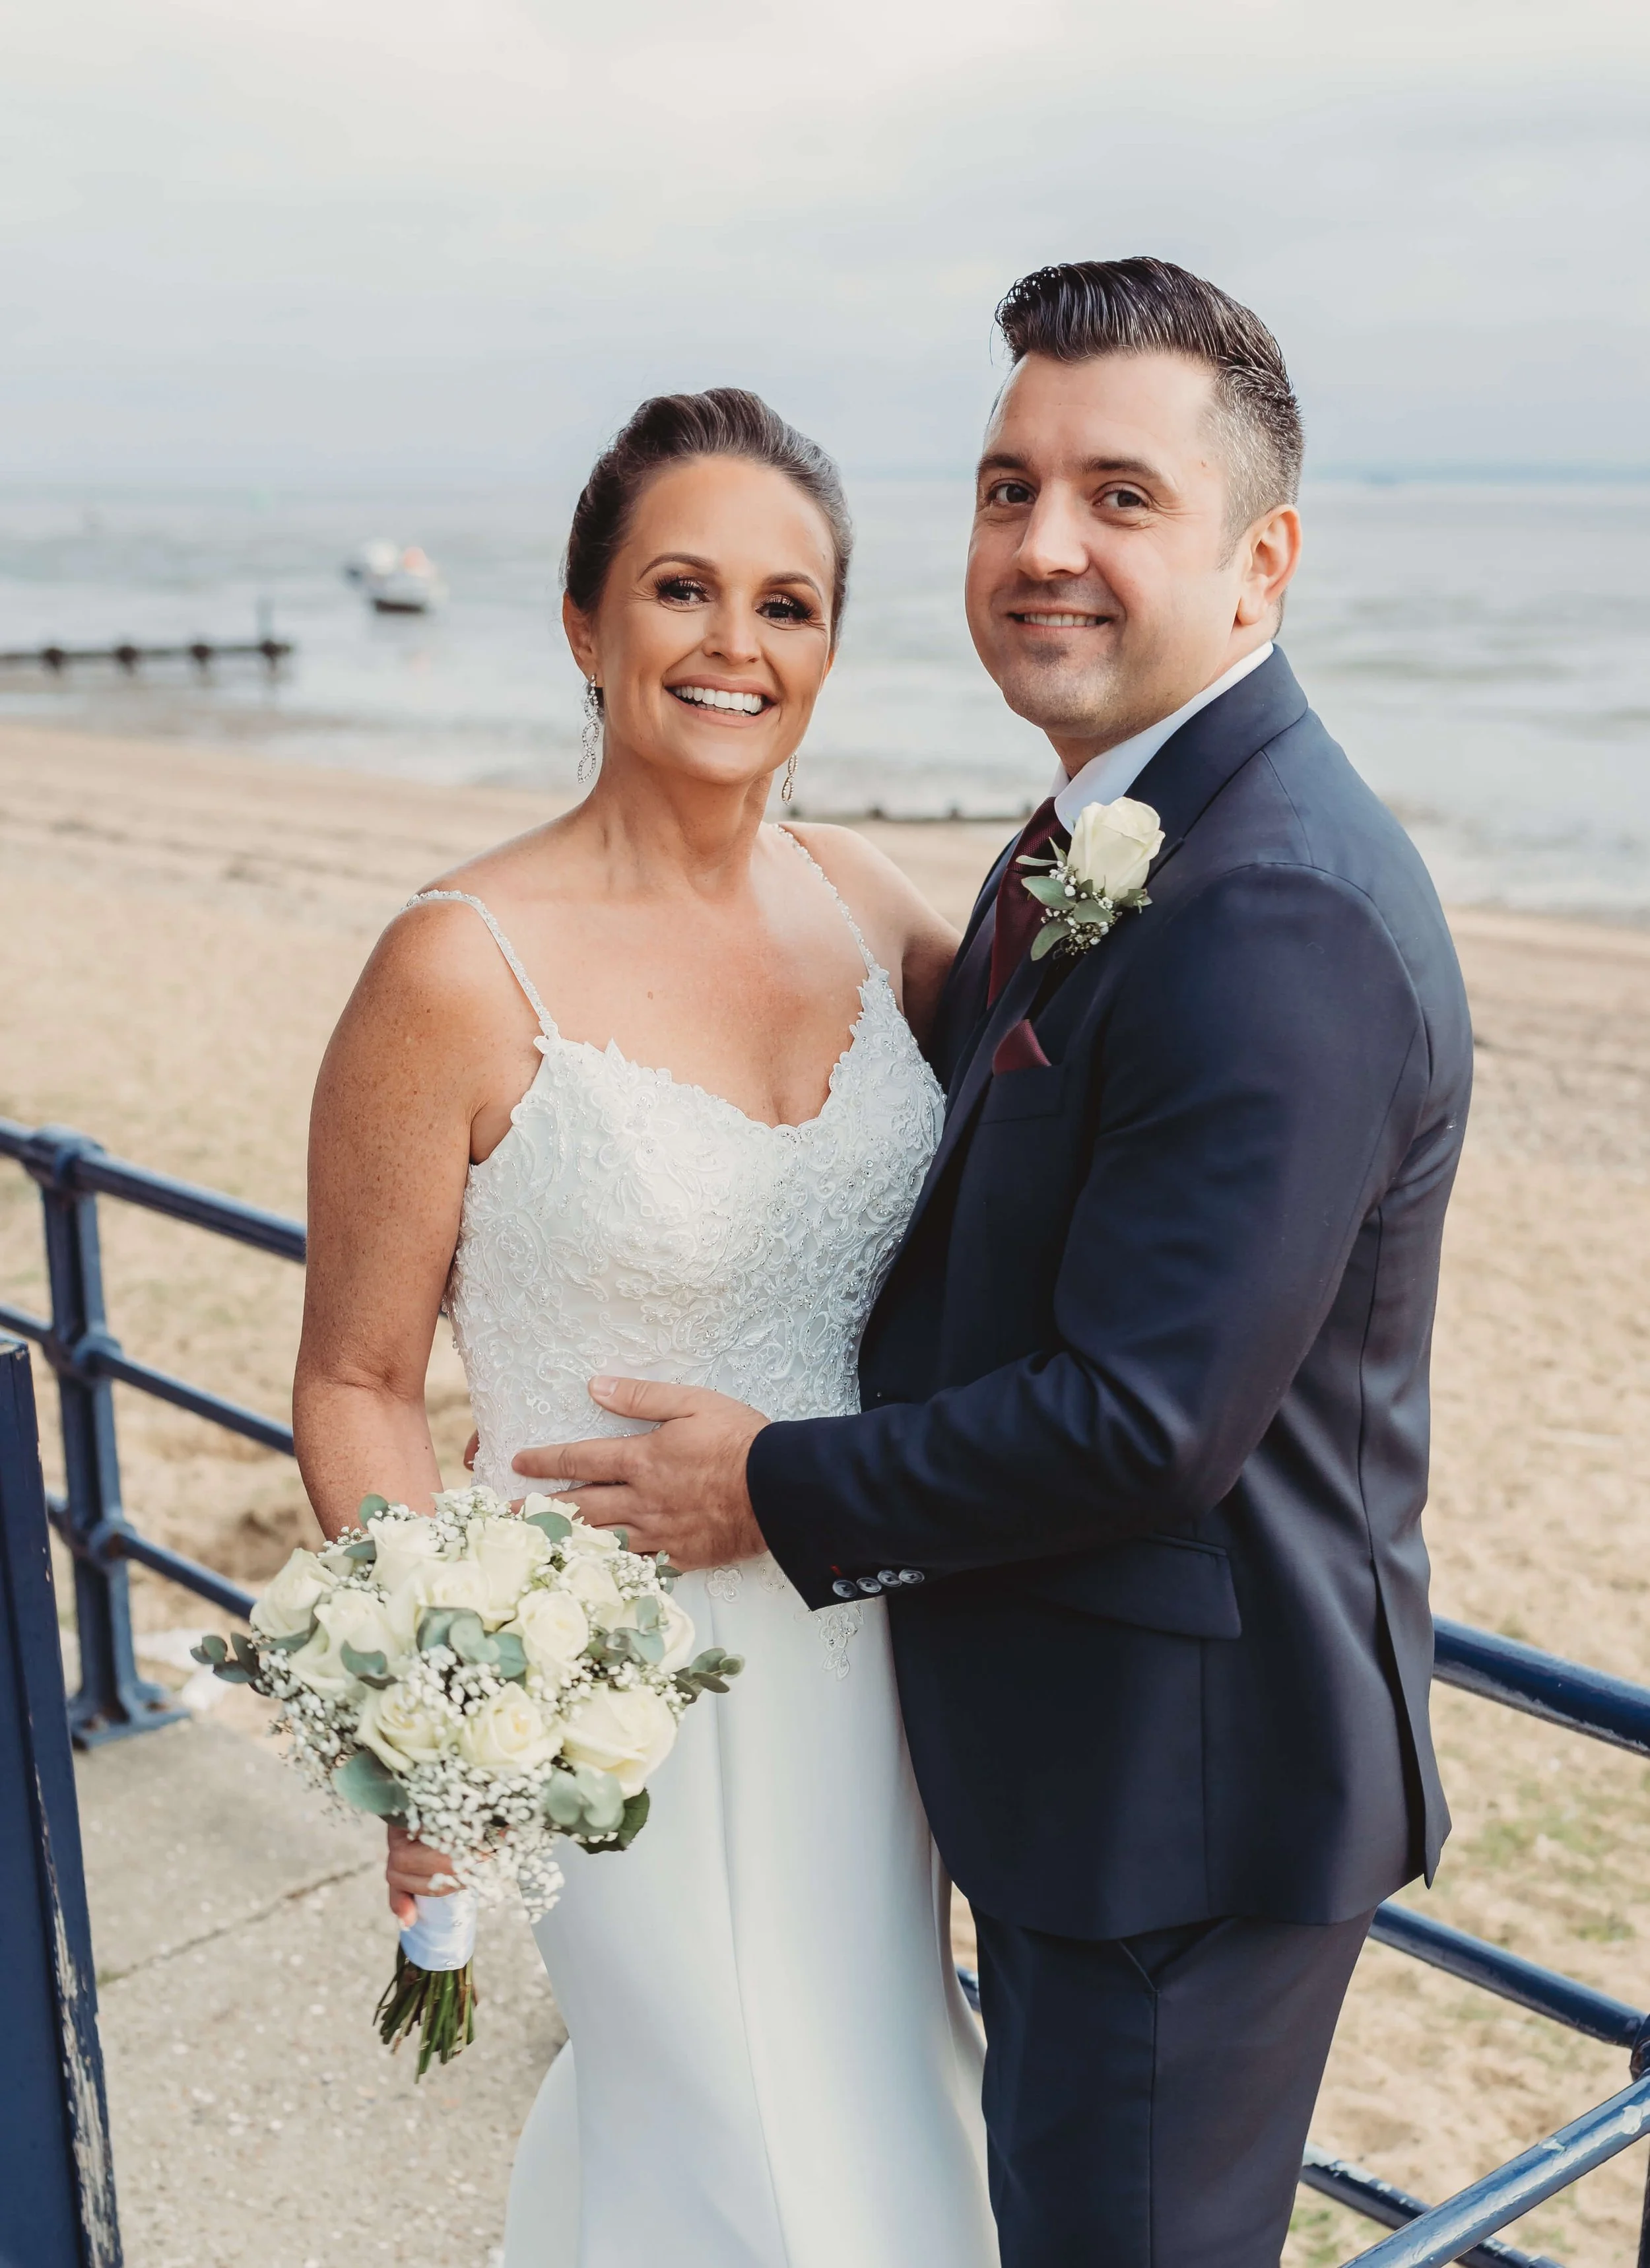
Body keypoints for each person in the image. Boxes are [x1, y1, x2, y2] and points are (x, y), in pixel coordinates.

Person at [517, 259, 1475, 2268]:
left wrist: (761, 1483)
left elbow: (1145, 1421)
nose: (1043, 545)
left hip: (1183, 1803)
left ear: (1259, 555)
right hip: (1052, 1755)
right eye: (1004, 486)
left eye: (1120, 495)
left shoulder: (1271, 902)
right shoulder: (1096, 832)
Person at [292, 388, 997, 2268]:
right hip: (611, 1695)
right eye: (681, 588)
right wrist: (441, 1715)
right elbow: (355, 1379)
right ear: (584, 622)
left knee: (892, 2109)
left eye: (788, 605)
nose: (733, 645)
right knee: (746, 2162)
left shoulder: (869, 906)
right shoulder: (453, 964)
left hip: (873, 1650)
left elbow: (1073, 1128)